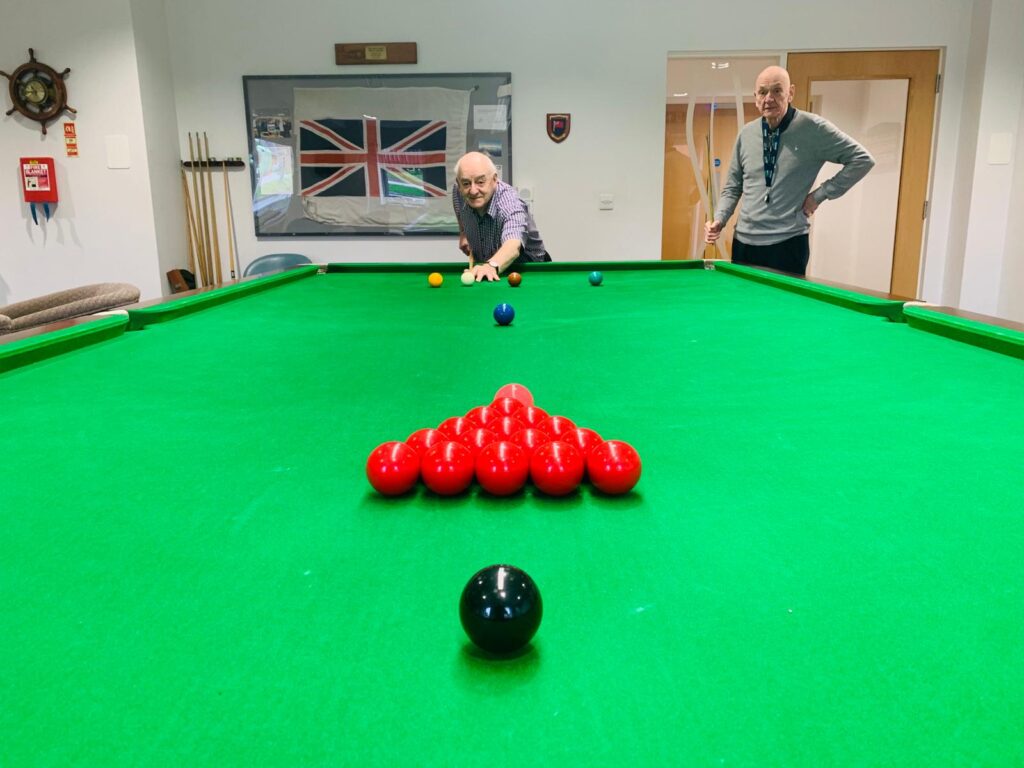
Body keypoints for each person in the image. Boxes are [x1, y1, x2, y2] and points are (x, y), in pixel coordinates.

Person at [705, 66, 875, 276]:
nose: (769, 98)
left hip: (787, 243)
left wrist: (819, 195)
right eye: (763, 92)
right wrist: (720, 219)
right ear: (756, 97)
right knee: (742, 298)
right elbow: (733, 187)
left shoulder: (813, 128)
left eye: (777, 91)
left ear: (790, 93)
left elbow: (862, 159)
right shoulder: (747, 134)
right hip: (744, 243)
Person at [452, 152, 551, 282]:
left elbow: (513, 244)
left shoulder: (510, 202)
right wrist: (463, 233)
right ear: (459, 183)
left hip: (529, 267)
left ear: (494, 180)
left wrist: (491, 265)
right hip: (488, 265)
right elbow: (458, 206)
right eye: (466, 183)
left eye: (480, 182)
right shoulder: (458, 190)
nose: (473, 190)